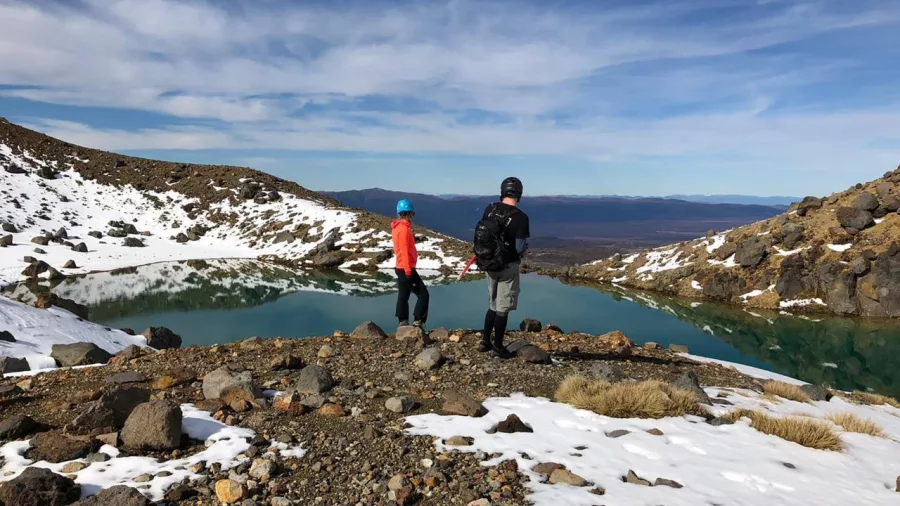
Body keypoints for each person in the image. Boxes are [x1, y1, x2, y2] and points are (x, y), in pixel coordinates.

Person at [475, 177, 530, 358]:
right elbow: (519, 247)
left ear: (502, 191)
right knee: (502, 307)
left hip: (489, 264)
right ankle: (498, 348)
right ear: (519, 193)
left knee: (492, 303)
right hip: (508, 267)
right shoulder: (521, 218)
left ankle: (485, 341)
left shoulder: (490, 209)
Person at [392, 199, 429, 328]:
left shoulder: (397, 228)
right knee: (423, 295)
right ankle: (418, 321)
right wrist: (408, 271)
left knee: (403, 295)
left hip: (400, 267)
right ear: (408, 214)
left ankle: (402, 321)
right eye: (412, 213)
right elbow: (403, 251)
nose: (413, 216)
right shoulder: (404, 230)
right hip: (405, 268)